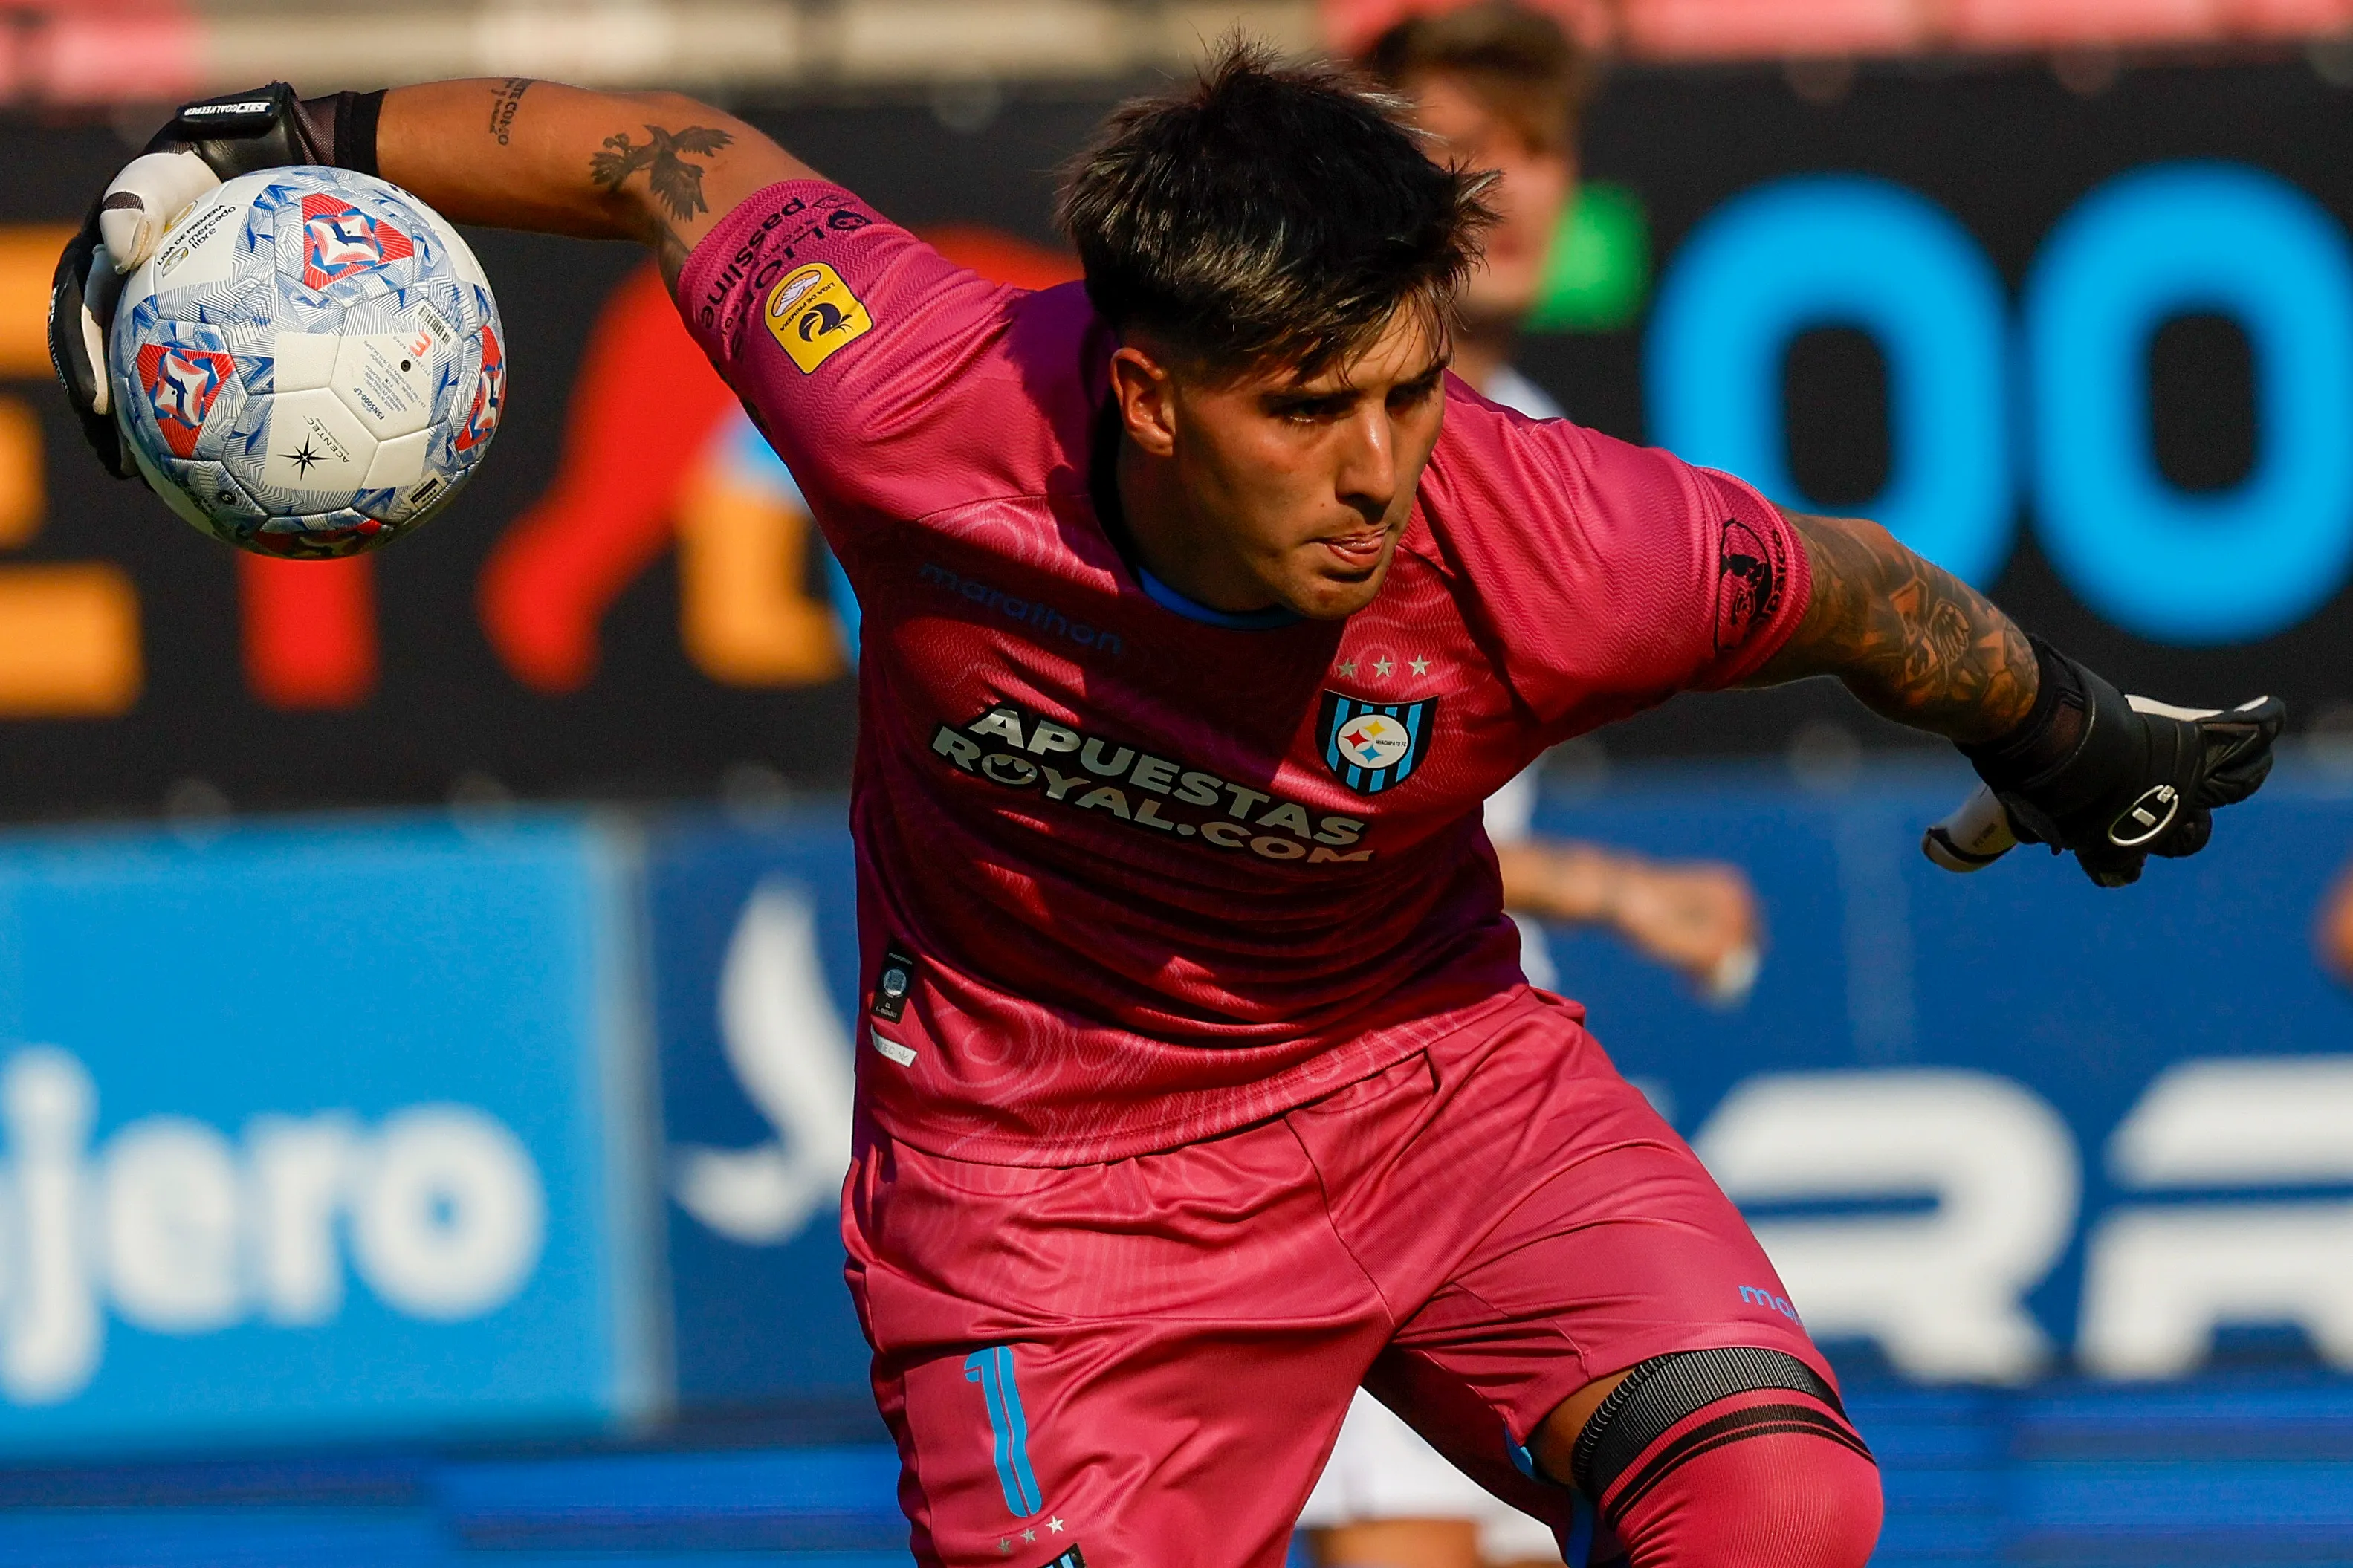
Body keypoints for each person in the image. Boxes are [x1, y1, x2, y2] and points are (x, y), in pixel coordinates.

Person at [52, 57, 2280, 1568]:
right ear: (1139, 388)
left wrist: (2072, 741)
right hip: (1043, 1205)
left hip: (1437, 1090)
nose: (1379, 464)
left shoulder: (1556, 541)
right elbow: (662, 152)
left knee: (1780, 1509)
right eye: (1307, 409)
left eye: (1406, 388)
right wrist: (277, 130)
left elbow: (1858, 592)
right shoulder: (909, 394)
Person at [1297, 13, 1748, 1567]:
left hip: (1501, 1078)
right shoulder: (1307, 450)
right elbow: (1317, 809)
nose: (1505, 187)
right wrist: (1618, 888)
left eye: (1536, 147)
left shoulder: (1548, 447)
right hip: (1336, 1087)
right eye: (1456, 149)